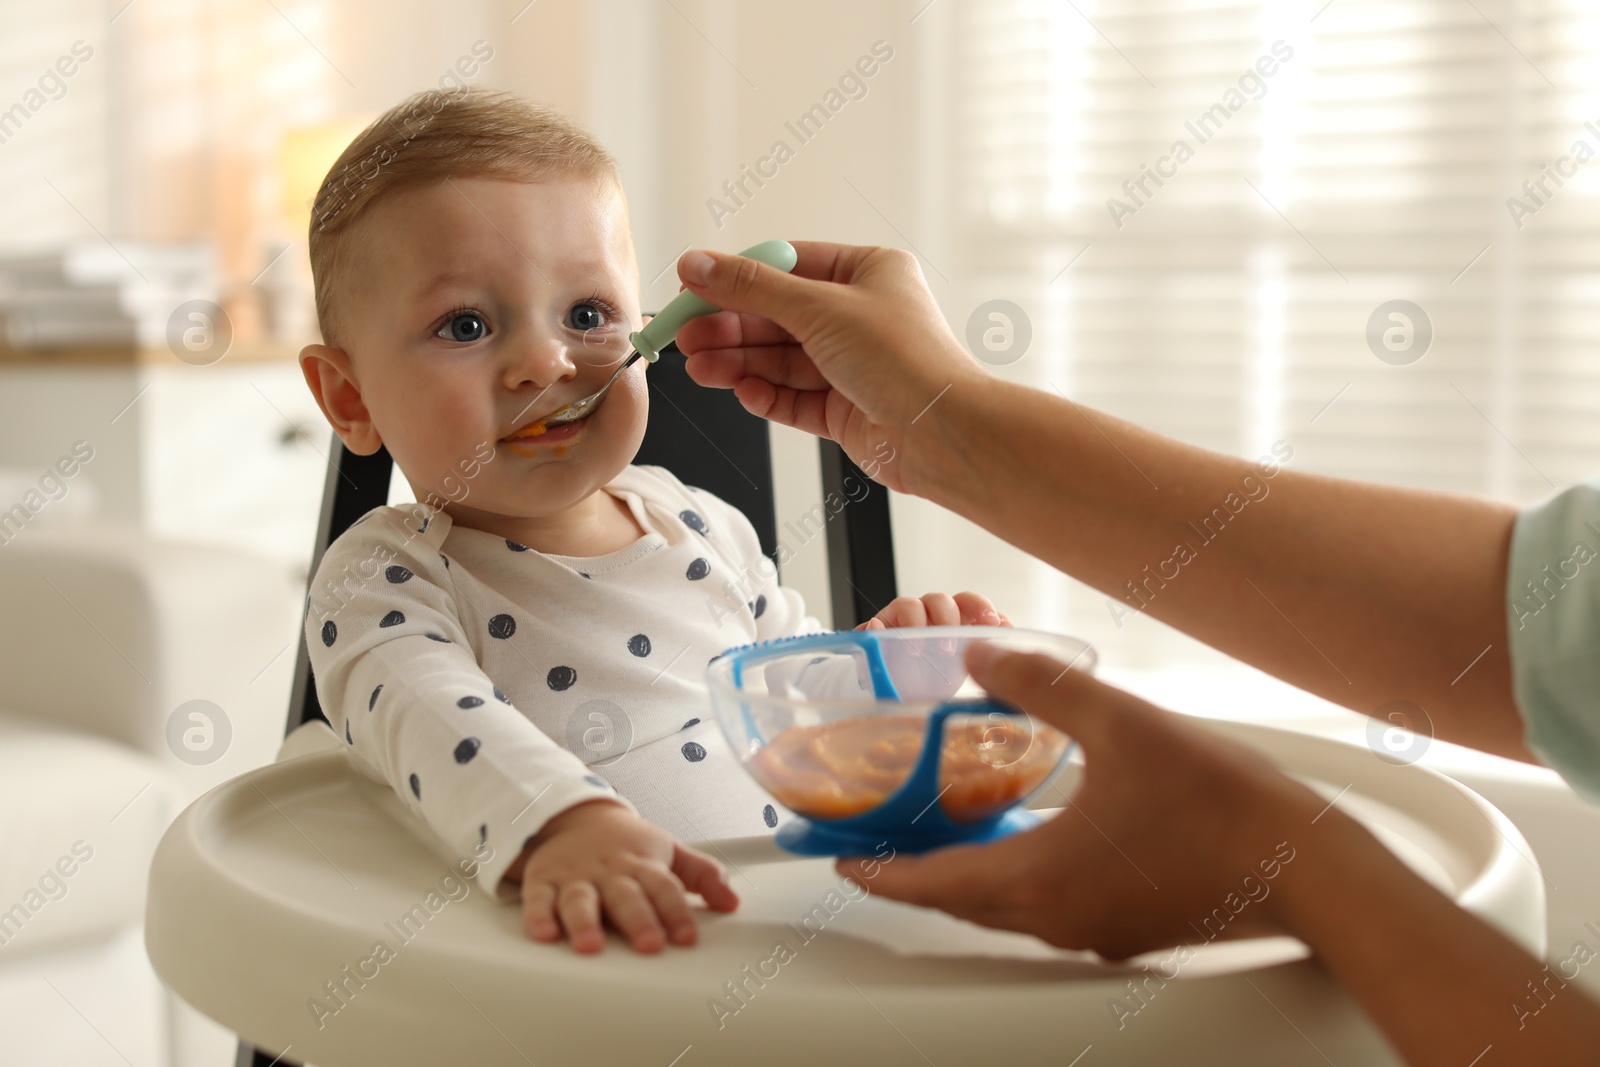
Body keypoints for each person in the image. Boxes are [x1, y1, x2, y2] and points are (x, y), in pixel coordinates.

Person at [671, 240, 1600, 1065]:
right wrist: (951, 428)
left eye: (587, 313)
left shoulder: (704, 536)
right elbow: (1546, 623)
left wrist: (1286, 863)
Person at [295, 91, 1009, 957]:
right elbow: (432, 719)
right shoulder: (387, 579)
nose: (546, 362)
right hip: (593, 979)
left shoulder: (694, 521)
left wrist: (882, 675)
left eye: (587, 314)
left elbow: (782, 701)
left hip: (790, 938)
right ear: (350, 395)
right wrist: (563, 825)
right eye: (468, 324)